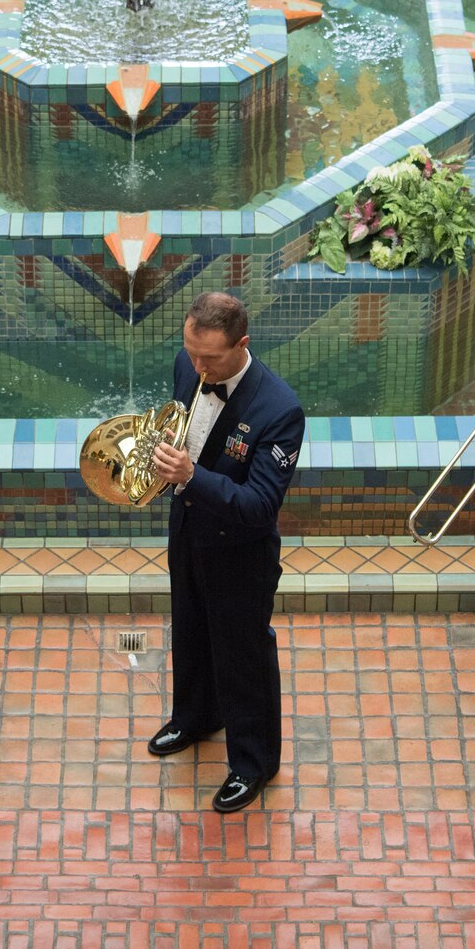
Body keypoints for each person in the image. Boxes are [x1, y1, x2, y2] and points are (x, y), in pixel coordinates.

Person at [144, 292, 305, 813]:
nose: (197, 367)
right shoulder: (187, 365)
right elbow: (179, 428)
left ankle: (254, 762)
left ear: (242, 345)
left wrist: (191, 477)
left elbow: (259, 505)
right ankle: (195, 717)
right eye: (190, 353)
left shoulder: (279, 410)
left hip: (241, 553)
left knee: (244, 657)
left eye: (209, 358)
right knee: (189, 631)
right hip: (187, 531)